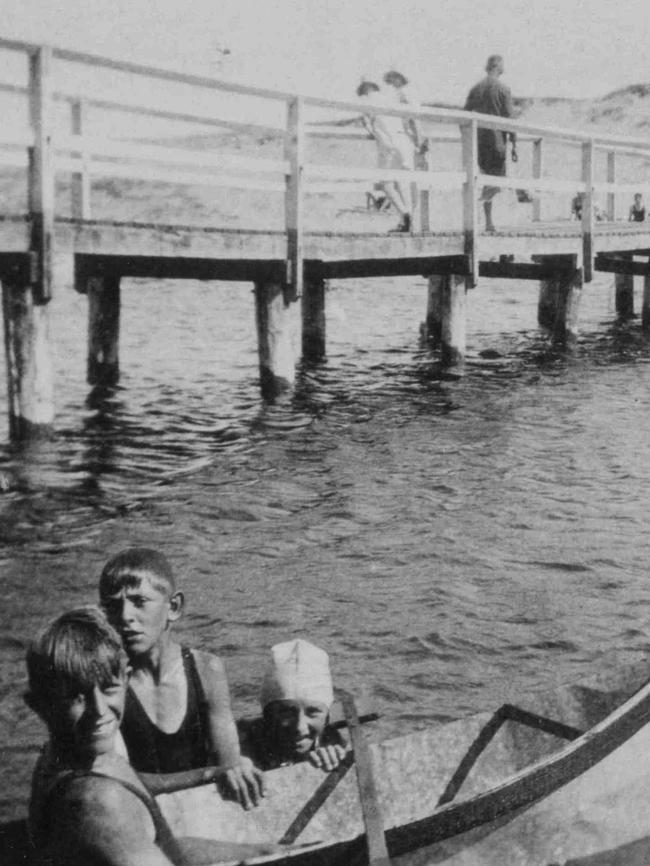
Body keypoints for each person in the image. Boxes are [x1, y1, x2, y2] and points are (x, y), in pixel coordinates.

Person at [25, 607, 278, 866]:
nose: (100, 711)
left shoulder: (88, 759)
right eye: (74, 697)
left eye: (109, 688)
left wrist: (263, 853)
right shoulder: (95, 803)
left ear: (126, 680)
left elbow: (162, 847)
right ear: (38, 705)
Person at [98, 547, 265, 810]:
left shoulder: (207, 669)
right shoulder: (106, 682)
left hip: (202, 810)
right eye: (112, 606)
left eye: (139, 602)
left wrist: (234, 768)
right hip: (138, 816)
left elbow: (229, 764)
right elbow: (122, 781)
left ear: (173, 607)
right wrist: (208, 774)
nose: (125, 617)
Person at [240, 638, 348, 771]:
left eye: (313, 712)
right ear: (267, 714)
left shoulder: (331, 740)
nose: (300, 728)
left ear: (327, 716)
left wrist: (333, 761)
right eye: (286, 713)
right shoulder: (242, 744)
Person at [464, 54, 519, 232]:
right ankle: (481, 209)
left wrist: (467, 139)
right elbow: (510, 118)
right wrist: (514, 143)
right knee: (496, 181)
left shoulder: (476, 89)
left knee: (488, 180)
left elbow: (464, 115)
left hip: (479, 143)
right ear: (498, 67)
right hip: (497, 143)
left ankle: (488, 221)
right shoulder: (503, 89)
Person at [357, 76, 413, 233]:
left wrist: (371, 131)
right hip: (403, 141)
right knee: (403, 183)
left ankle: (405, 214)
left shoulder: (364, 101)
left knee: (386, 183)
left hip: (388, 144)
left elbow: (367, 125)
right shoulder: (388, 98)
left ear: (363, 92)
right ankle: (409, 221)